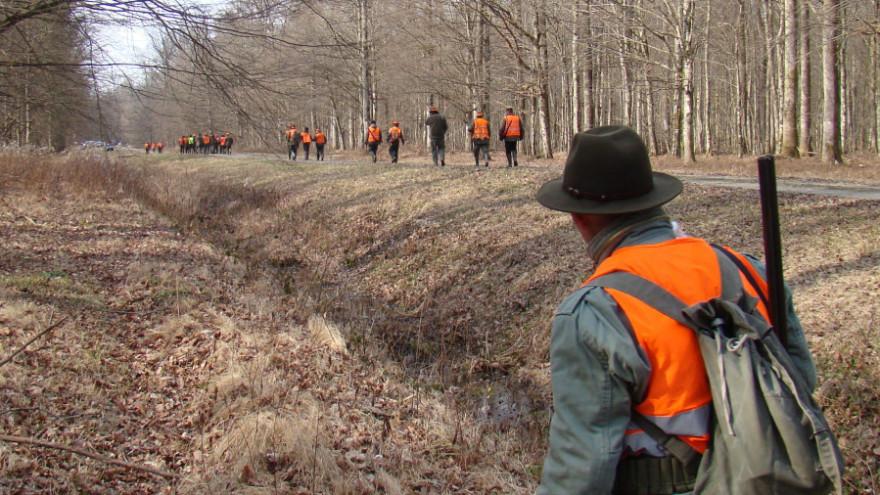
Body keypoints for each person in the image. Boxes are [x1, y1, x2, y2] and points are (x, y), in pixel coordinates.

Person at [534, 126, 818, 495]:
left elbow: (580, 468)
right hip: (772, 479)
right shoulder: (751, 270)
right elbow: (801, 381)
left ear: (580, 218)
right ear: (654, 201)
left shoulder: (596, 311)